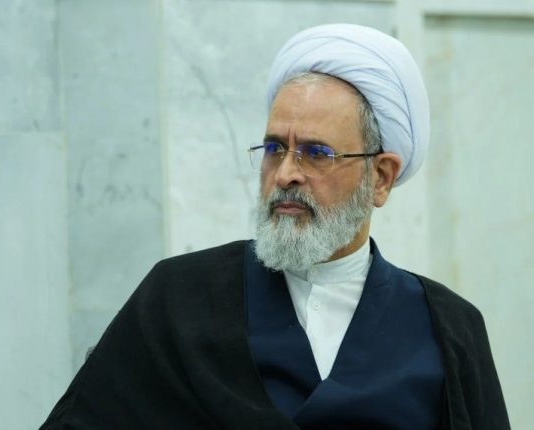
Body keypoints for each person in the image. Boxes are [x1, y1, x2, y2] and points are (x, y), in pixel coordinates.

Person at [40, 24, 510, 430]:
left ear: (381, 177)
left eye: (316, 153)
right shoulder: (179, 298)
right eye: (273, 149)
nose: (285, 174)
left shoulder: (449, 329)